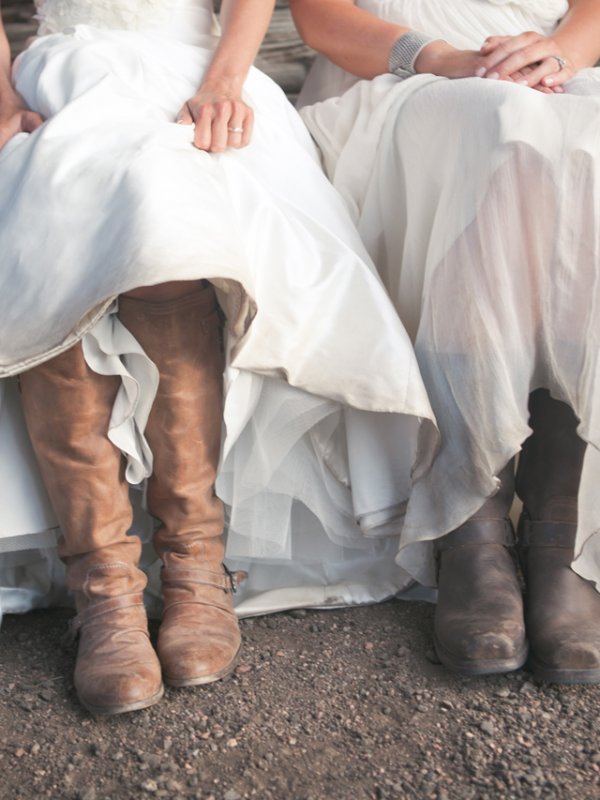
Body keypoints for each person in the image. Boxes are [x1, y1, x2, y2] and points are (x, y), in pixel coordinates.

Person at [0, 0, 438, 715]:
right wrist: (3, 97)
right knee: (55, 217)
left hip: (200, 74)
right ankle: (104, 586)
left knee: (173, 220)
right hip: (64, 76)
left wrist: (225, 81)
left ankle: (195, 564)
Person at [290, 0, 600, 683]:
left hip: (549, 75)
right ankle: (472, 528)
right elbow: (320, 16)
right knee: (495, 128)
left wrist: (561, 57)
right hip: (399, 78)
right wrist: (442, 57)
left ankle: (557, 532)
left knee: (591, 137)